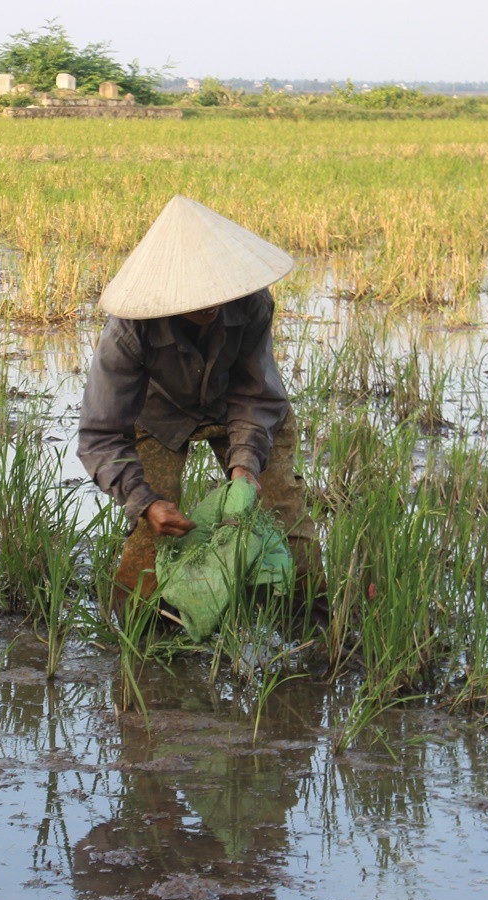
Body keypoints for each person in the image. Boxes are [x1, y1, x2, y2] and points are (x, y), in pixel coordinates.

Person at [77, 196, 324, 624]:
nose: (209, 304)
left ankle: (308, 624)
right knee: (151, 534)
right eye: (195, 296)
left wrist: (245, 467)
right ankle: (143, 630)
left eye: (215, 291)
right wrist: (144, 502)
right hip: (159, 414)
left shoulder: (251, 303)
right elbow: (100, 434)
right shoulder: (129, 329)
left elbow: (255, 394)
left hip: (238, 407)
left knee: (284, 513)